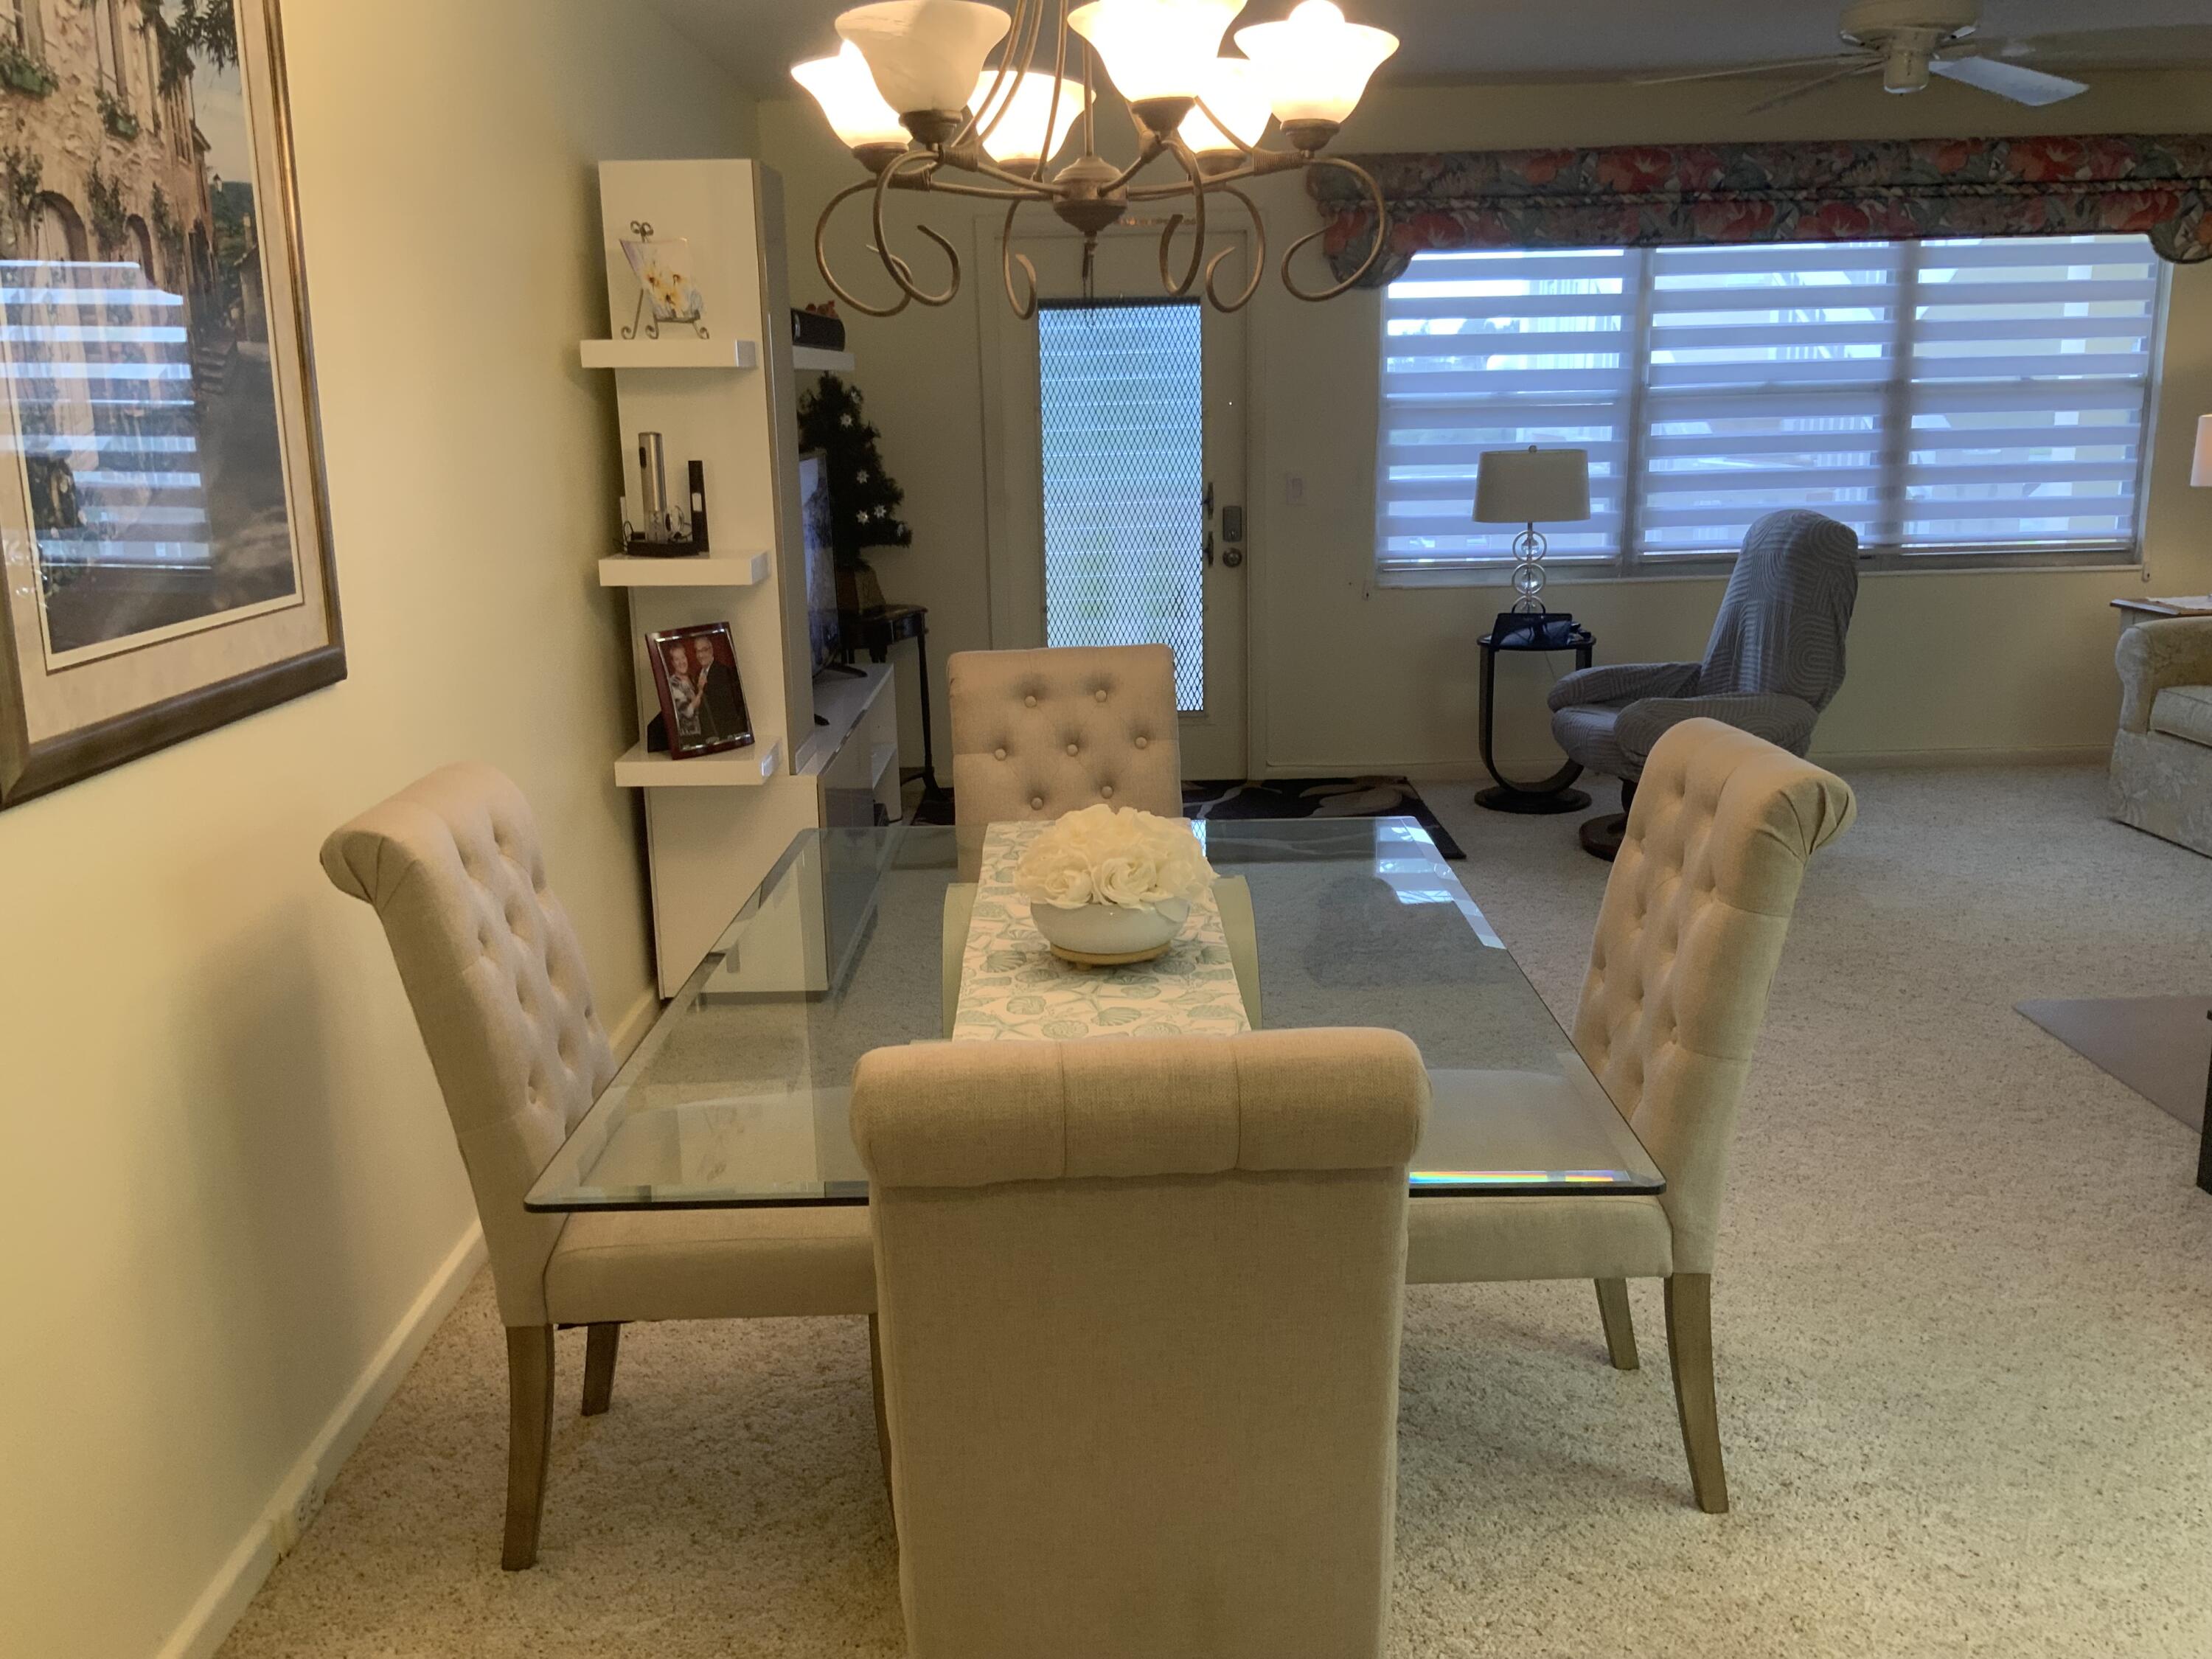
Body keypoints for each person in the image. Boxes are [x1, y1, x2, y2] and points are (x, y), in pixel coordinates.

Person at [692, 636, 751, 747]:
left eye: (704, 650)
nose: (700, 655)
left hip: (723, 735)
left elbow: (726, 705)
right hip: (707, 736)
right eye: (697, 651)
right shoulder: (698, 674)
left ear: (711, 650)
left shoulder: (723, 671)